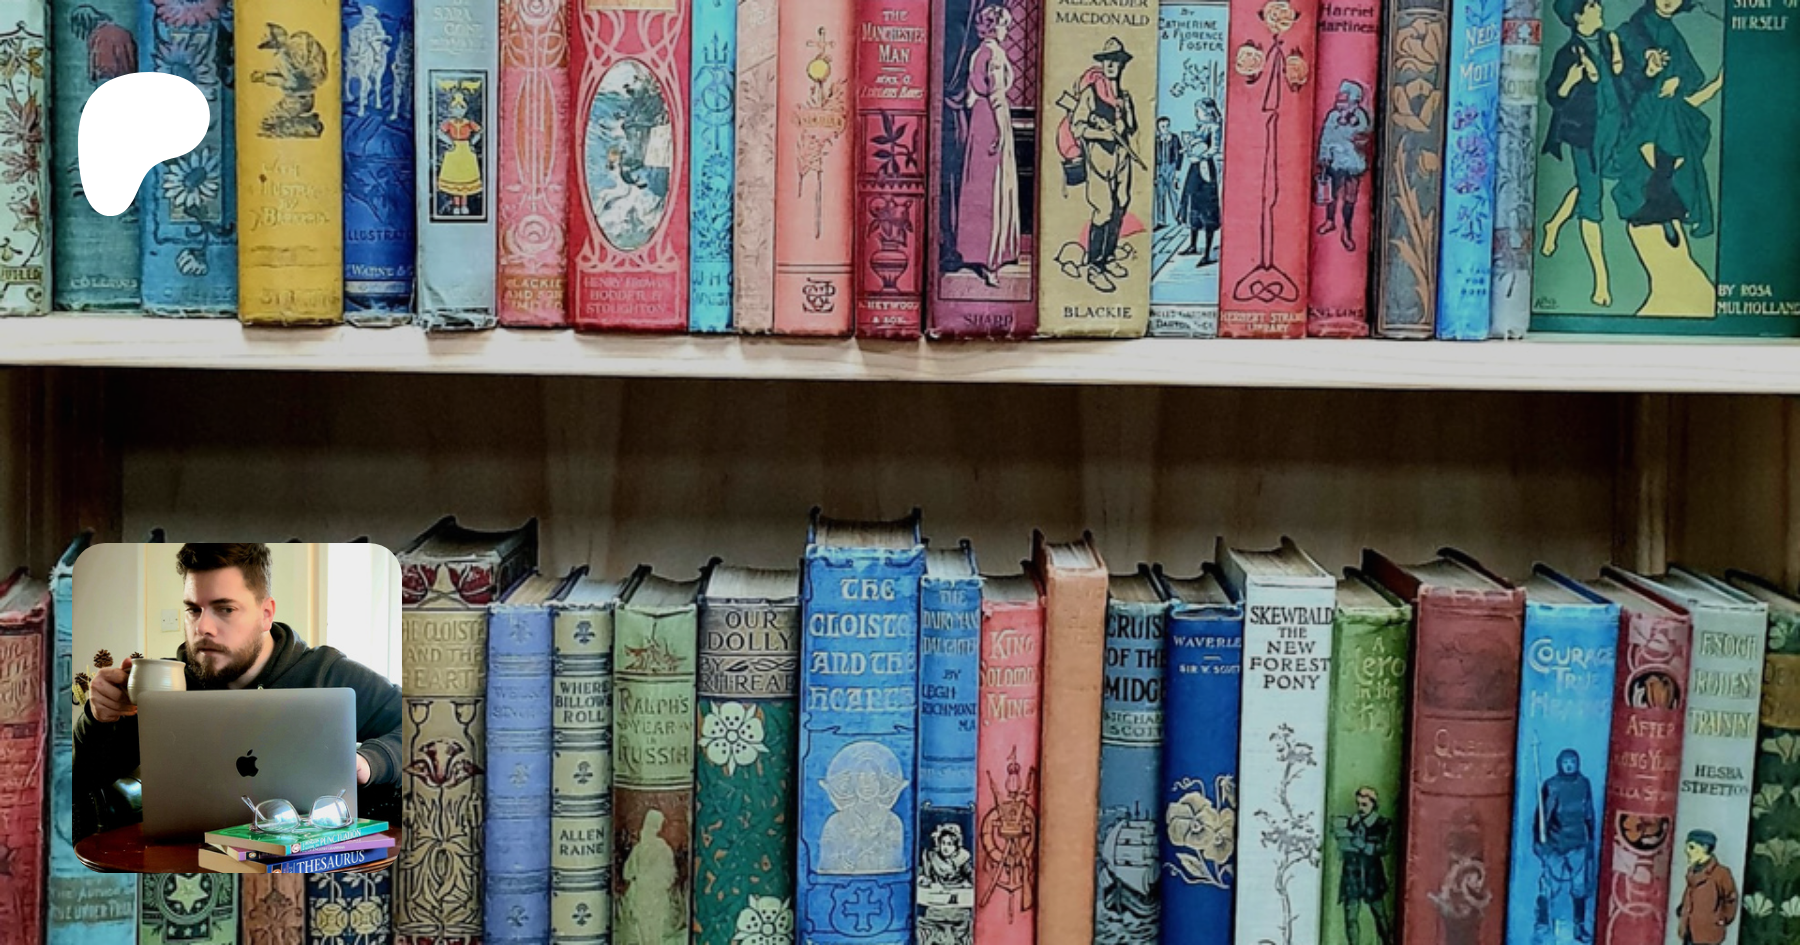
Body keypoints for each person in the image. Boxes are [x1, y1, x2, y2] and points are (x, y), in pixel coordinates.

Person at [74, 544, 403, 829]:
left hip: (296, 856)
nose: (203, 627)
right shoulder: (165, 684)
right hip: (186, 854)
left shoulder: (325, 674)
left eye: (225, 609)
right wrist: (98, 718)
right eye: (193, 610)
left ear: (265, 614)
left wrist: (371, 761)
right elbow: (84, 784)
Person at [1540, 0, 1624, 306]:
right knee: (1591, 199)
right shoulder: (1567, 54)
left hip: (1615, 128)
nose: (1599, 9)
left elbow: (1625, 79)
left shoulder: (1609, 40)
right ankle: (1602, 282)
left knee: (1592, 185)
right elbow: (1554, 97)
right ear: (1577, 16)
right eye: (1592, 6)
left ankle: (1553, 224)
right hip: (1585, 135)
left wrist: (1619, 54)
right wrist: (1570, 81)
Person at [1058, 37, 1143, 293]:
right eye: (1107, 61)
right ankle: (1095, 267)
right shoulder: (1090, 94)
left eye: (1115, 61)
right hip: (1098, 160)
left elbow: (1132, 128)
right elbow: (1078, 127)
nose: (1111, 66)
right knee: (1103, 210)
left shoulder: (1124, 96)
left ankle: (1109, 257)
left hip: (1122, 160)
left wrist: (1124, 116)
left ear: (1122, 65)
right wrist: (1101, 133)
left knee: (1121, 205)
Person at [953, 2, 1023, 288]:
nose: (1006, 30)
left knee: (980, 185)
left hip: (979, 119)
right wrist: (1002, 131)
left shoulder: (977, 52)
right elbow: (996, 95)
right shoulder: (994, 53)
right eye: (1004, 25)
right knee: (993, 186)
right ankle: (990, 260)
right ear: (995, 26)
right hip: (993, 118)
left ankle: (978, 252)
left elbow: (971, 96)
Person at [1534, 748, 1599, 943]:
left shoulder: (1583, 784)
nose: (1569, 766)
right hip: (1555, 844)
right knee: (1549, 885)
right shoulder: (1552, 786)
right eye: (1566, 762)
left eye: (1573, 762)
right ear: (1560, 764)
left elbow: (1589, 813)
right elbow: (1542, 817)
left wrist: (1590, 841)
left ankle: (1579, 927)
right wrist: (1539, 842)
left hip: (1578, 843)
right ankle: (1542, 924)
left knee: (1579, 887)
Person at [1314, 80, 1372, 252]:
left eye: (1345, 99)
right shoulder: (1333, 116)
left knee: (1350, 196)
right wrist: (1324, 155)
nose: (1340, 103)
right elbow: (1326, 136)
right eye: (1340, 99)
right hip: (1335, 161)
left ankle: (1347, 229)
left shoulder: (1360, 116)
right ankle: (1330, 220)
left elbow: (1364, 133)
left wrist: (1354, 124)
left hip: (1353, 162)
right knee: (1332, 193)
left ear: (1354, 101)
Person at [1335, 786, 1395, 945]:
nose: (1360, 808)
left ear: (1373, 804)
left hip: (1371, 875)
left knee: (1380, 914)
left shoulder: (1382, 824)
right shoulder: (1351, 822)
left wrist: (1364, 846)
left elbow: (1384, 848)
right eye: (1358, 804)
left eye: (1364, 805)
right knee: (1350, 917)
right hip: (1352, 874)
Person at [1178, 98, 1223, 262]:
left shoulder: (1215, 127)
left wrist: (1200, 156)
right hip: (1195, 168)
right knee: (1192, 203)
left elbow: (1214, 149)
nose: (1196, 114)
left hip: (1205, 168)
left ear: (1208, 111)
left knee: (1206, 208)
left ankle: (1207, 252)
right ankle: (1193, 245)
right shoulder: (1201, 127)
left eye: (1199, 111)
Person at [1677, 829, 1738, 945]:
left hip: (1708, 933)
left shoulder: (1721, 873)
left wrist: (1721, 919)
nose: (1686, 851)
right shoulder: (1692, 871)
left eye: (1692, 847)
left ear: (1705, 848)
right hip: (1688, 930)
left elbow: (1731, 898)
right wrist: (1682, 910)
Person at [436, 91, 483, 216]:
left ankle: (464, 205)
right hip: (454, 151)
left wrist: (473, 142)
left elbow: (480, 131)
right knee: (455, 179)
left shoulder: (468, 123)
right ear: (451, 110)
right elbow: (439, 132)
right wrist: (449, 142)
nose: (458, 111)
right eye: (455, 109)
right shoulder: (449, 123)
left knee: (465, 179)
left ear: (465, 110)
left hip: (466, 150)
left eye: (461, 108)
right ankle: (456, 205)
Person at [1154, 116, 1182, 228]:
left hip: (1171, 167)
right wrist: (1155, 174)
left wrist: (1177, 171)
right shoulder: (1156, 140)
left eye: (1167, 126)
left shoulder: (1175, 138)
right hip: (1160, 168)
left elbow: (1180, 155)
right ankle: (1161, 221)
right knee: (1160, 195)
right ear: (1158, 128)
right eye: (1162, 127)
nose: (1165, 129)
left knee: (1173, 194)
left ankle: (1179, 217)